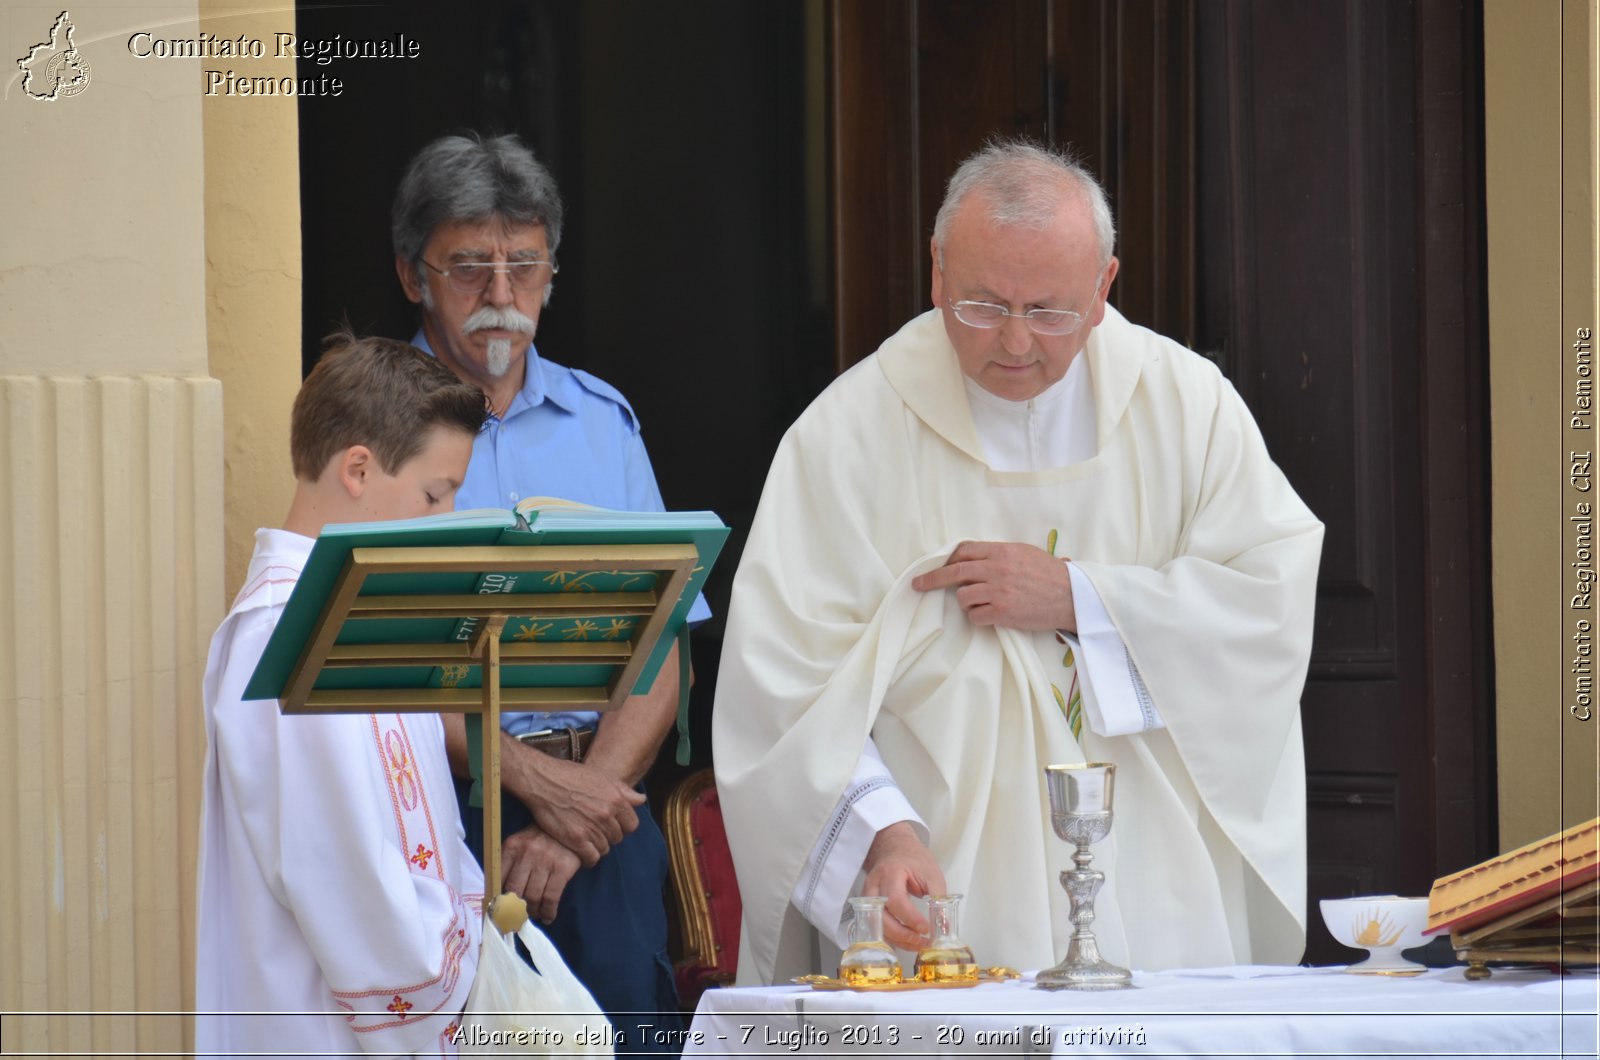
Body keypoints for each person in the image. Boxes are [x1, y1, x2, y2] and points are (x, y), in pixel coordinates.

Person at [713, 139, 1324, 984]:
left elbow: (1268, 604)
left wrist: (1081, 598)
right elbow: (784, 686)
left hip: (1154, 878)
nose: (1012, 342)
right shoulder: (846, 436)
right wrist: (882, 836)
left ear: (1105, 287)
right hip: (944, 872)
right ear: (935, 271)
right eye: (981, 304)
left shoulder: (1187, 408)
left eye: (1049, 312)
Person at [392, 132, 702, 1042]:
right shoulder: (373, 429)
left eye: (523, 266)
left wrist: (576, 811)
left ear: (552, 272)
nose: (501, 297)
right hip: (438, 816)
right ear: (413, 275)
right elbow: (370, 663)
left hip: (603, 810)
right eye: (470, 268)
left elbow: (661, 647)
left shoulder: (601, 423)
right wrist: (529, 780)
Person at [195, 335, 490, 1055]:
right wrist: (456, 958)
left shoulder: (348, 612)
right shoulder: (290, 631)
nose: (445, 519)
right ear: (358, 468)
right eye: (434, 493)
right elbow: (340, 868)